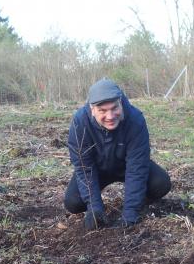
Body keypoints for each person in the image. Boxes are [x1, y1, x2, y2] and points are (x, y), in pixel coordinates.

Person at [64, 78, 171, 230]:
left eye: (114, 108)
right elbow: (84, 167)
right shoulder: (80, 123)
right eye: (102, 111)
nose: (110, 116)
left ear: (121, 102)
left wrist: (130, 213)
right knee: (73, 203)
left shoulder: (135, 120)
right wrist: (94, 208)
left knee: (161, 184)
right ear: (92, 109)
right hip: (97, 170)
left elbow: (137, 167)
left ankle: (139, 200)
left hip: (126, 166)